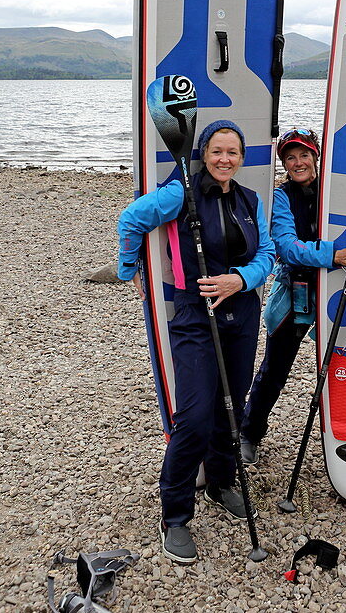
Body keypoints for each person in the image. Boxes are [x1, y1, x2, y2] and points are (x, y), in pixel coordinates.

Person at [117, 120, 275, 565]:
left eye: (234, 152)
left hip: (242, 314)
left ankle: (223, 482)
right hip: (194, 317)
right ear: (204, 152)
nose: (226, 159)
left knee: (233, 407)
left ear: (242, 158)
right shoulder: (179, 192)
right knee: (194, 415)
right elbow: (131, 219)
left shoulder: (250, 199)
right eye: (218, 151)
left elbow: (266, 254)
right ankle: (175, 514)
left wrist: (241, 278)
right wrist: (132, 271)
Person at [239, 128, 346, 463]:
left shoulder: (335, 193)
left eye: (304, 155)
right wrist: (332, 255)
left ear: (316, 157)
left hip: (340, 290)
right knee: (275, 370)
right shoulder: (282, 197)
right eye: (290, 157)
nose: (298, 162)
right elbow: (286, 247)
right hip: (296, 293)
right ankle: (249, 433)